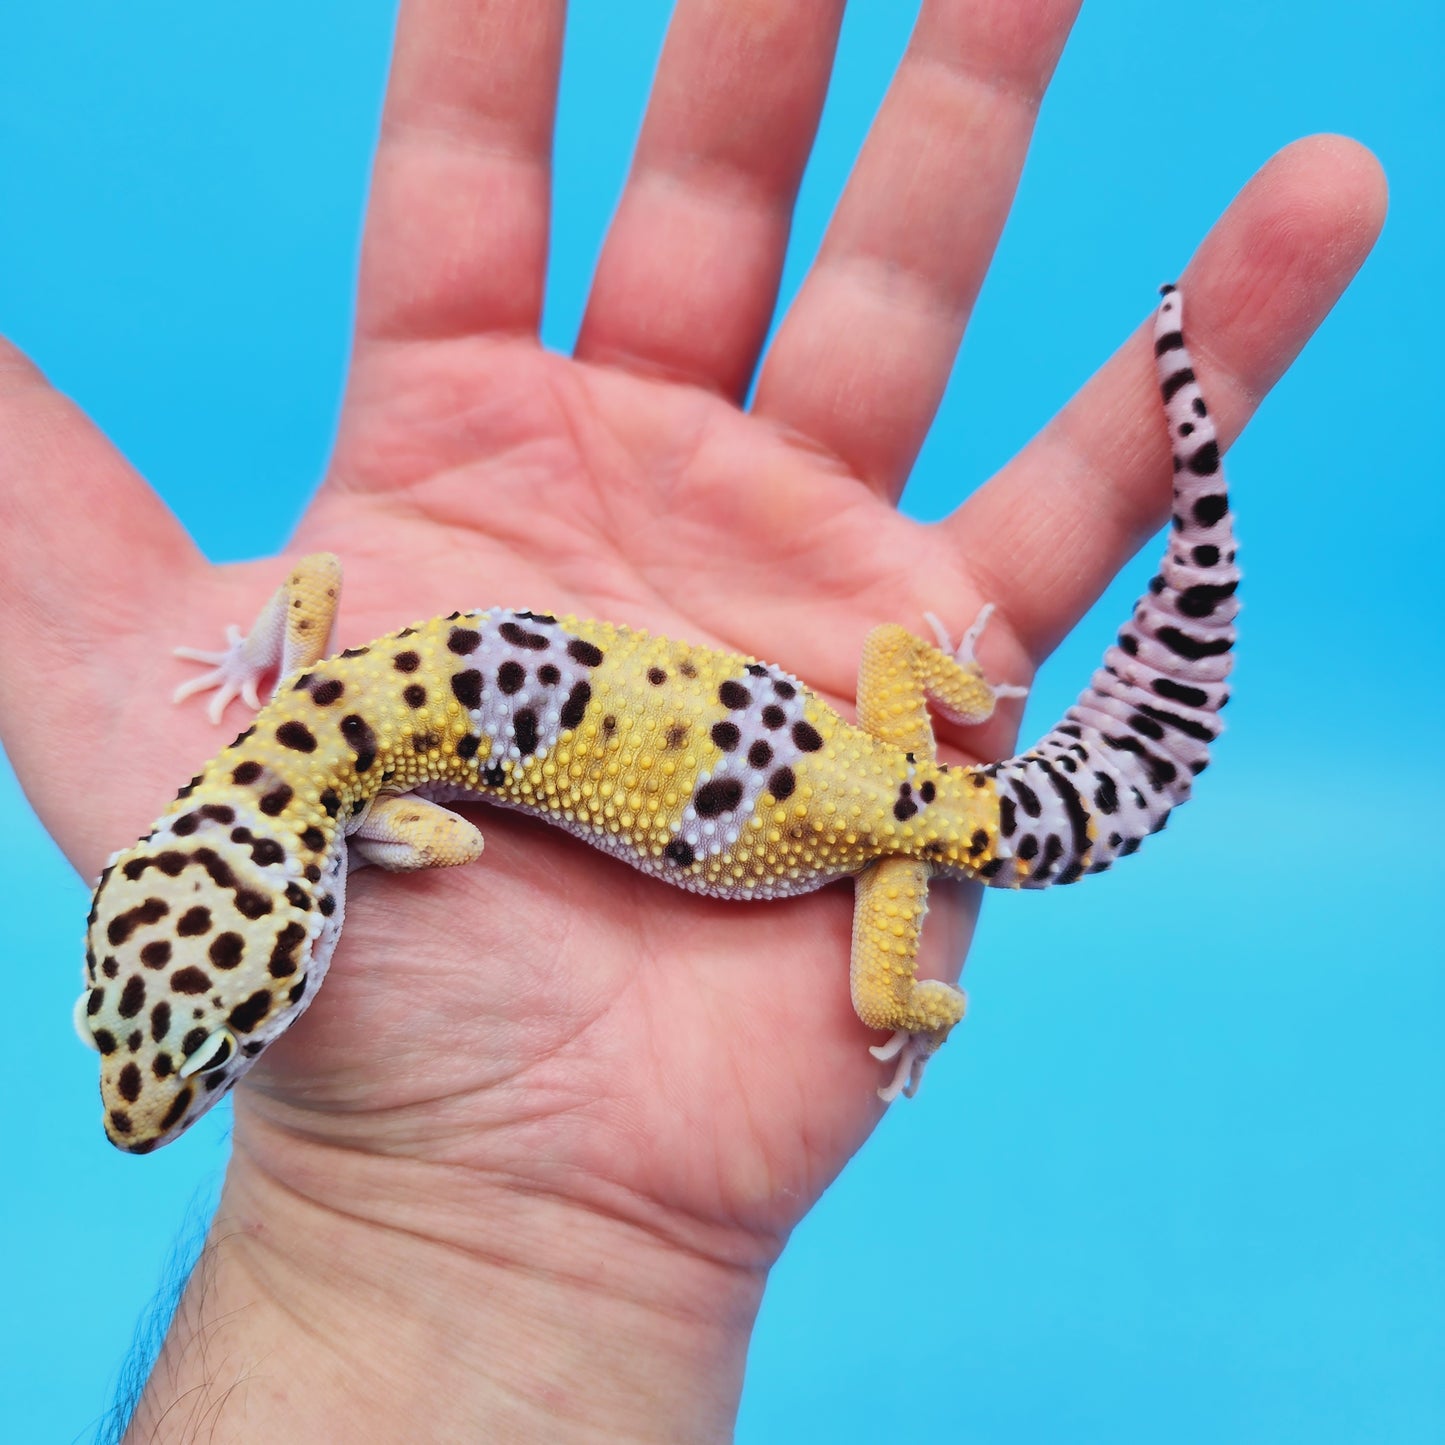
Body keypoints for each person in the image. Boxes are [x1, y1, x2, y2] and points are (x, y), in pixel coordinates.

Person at [0, 1, 1384, 1437]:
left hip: (873, 828)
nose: (153, 1099)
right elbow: (330, 612)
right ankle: (1160, 585)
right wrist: (268, 671)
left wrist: (915, 1015)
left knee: (877, 994)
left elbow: (439, 841)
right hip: (885, 747)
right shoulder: (318, 710)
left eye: (216, 1047)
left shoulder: (368, 811)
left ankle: (928, 998)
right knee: (952, 746)